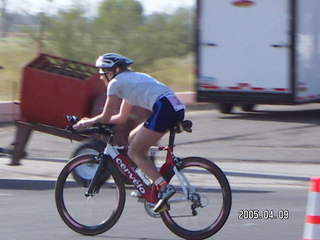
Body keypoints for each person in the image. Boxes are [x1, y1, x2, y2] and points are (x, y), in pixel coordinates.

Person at [74, 53, 185, 212]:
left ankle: (163, 187)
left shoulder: (116, 83)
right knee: (133, 137)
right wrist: (97, 121)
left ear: (111, 72)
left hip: (165, 108)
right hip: (175, 106)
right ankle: (152, 183)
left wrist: (87, 122)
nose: (100, 77)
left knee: (134, 152)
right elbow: (121, 117)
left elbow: (105, 117)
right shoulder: (131, 82)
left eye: (102, 73)